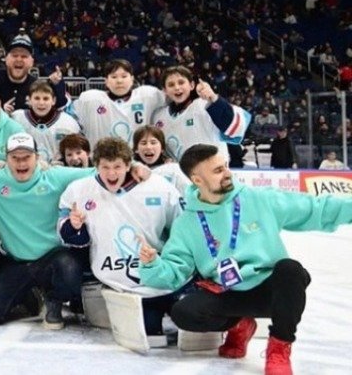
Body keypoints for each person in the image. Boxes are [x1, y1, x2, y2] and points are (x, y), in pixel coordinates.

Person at [139, 143, 352, 375]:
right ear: (197, 180)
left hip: (268, 290)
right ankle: (240, 325)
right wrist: (153, 264)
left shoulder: (258, 198)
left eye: (225, 166)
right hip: (227, 292)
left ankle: (279, 347)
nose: (227, 173)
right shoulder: (186, 223)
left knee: (291, 270)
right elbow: (175, 269)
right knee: (183, 312)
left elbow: (315, 208)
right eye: (218, 170)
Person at [0, 133, 95, 328]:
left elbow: (98, 172)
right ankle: (30, 295)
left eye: (27, 157)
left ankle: (54, 300)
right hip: (17, 262)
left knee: (70, 268)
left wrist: (135, 167)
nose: (21, 163)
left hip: (52, 259)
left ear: (37, 158)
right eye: (15, 158)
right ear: (6, 159)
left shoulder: (54, 176)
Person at [58, 138, 183, 347]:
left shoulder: (159, 187)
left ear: (128, 165)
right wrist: (74, 227)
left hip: (160, 275)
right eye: (105, 167)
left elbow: (181, 231)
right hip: (117, 283)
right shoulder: (79, 190)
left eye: (117, 166)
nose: (111, 173)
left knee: (187, 319)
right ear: (96, 165)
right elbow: (69, 237)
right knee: (150, 335)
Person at [151, 66, 250, 163]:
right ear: (165, 90)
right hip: (180, 172)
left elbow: (236, 127)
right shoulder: (159, 117)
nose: (177, 87)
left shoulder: (206, 106)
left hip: (213, 171)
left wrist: (213, 98)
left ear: (192, 85)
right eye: (171, 85)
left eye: (181, 82)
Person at [69, 59, 165, 146]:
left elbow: (170, 100)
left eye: (124, 76)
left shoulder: (148, 96)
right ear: (106, 81)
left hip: (137, 157)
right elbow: (69, 117)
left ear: (132, 79)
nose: (119, 81)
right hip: (100, 157)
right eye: (114, 77)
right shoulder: (91, 99)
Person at [0, 33, 68, 112]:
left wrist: (56, 85)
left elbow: (60, 107)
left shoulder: (36, 86)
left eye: (24, 56)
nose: (19, 59)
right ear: (6, 59)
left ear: (32, 62)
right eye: (14, 55)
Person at [12, 80, 81, 165]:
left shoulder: (67, 122)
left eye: (46, 98)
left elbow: (79, 151)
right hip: (24, 167)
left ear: (53, 100)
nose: (41, 103)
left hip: (58, 169)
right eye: (37, 98)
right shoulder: (17, 118)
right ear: (29, 100)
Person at [133, 125, 190, 193]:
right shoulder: (130, 173)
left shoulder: (173, 169)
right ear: (136, 149)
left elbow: (188, 193)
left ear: (162, 148)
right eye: (143, 143)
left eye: (153, 143)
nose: (148, 147)